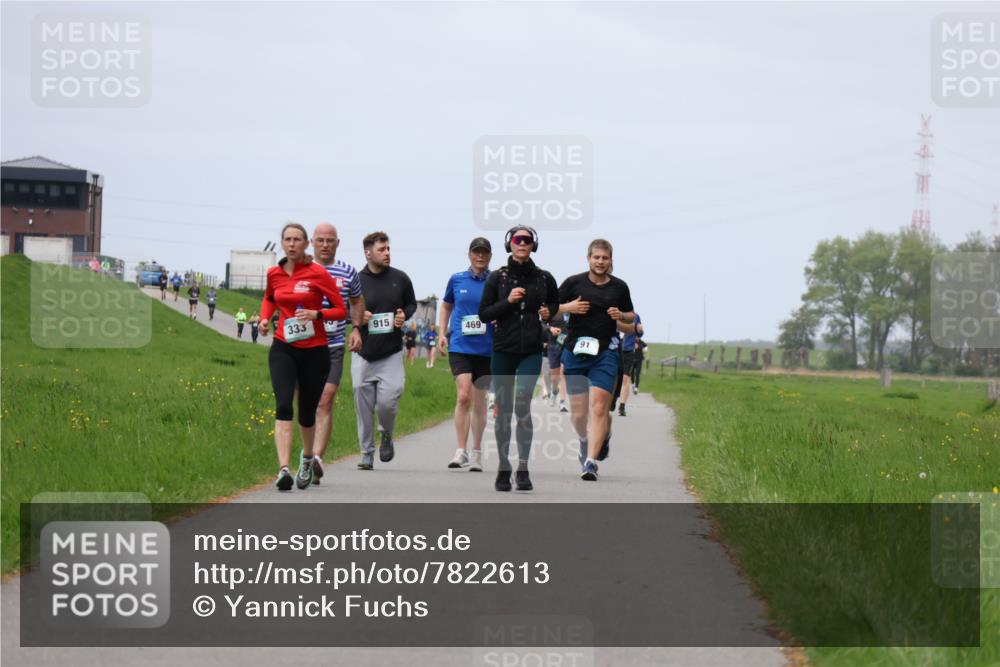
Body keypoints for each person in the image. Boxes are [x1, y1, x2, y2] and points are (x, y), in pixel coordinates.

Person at [258, 222, 347, 491]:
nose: (292, 244)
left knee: (307, 412)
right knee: (284, 404)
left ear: (306, 244)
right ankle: (283, 469)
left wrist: (316, 314)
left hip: (315, 351)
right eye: (288, 239)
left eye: (297, 239)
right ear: (282, 243)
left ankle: (307, 459)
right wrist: (264, 319)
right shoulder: (274, 273)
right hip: (284, 347)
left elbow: (340, 310)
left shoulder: (317, 274)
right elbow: (270, 298)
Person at [478, 225, 559, 492]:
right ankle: (503, 466)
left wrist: (548, 315)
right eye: (517, 239)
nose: (522, 243)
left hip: (531, 351)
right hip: (503, 351)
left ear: (533, 245)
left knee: (522, 406)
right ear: (509, 244)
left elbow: (554, 307)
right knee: (503, 411)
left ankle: (523, 467)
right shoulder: (497, 278)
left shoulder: (544, 278)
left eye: (527, 240)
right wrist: (509, 302)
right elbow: (484, 314)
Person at [556, 239, 635, 482]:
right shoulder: (573, 282)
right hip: (576, 351)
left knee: (599, 407)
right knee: (579, 413)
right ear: (588, 258)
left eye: (605, 258)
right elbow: (550, 308)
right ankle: (584, 440)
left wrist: (620, 315)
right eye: (596, 257)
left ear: (611, 260)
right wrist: (570, 307)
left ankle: (591, 463)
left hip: (605, 353)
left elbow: (631, 319)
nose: (600, 262)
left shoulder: (619, 288)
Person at [353, 231, 417, 470]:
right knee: (363, 406)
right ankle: (366, 452)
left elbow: (411, 304)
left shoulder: (400, 278)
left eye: (388, 248)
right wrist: (359, 317)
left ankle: (387, 434)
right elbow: (345, 310)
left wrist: (403, 314)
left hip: (390, 352)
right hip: (363, 353)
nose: (387, 253)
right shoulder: (356, 281)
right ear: (368, 253)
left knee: (389, 401)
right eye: (382, 249)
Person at [310, 222, 365, 485]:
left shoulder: (348, 271)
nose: (324, 245)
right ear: (312, 242)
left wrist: (356, 329)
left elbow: (356, 301)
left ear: (337, 243)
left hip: (332, 345)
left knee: (325, 400)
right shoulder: (299, 269)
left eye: (329, 240)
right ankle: (306, 454)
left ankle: (317, 459)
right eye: (320, 240)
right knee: (305, 405)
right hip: (303, 345)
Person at [438, 237, 493, 472]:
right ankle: (460, 450)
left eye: (484, 253)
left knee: (479, 401)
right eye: (476, 252)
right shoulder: (457, 279)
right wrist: (442, 333)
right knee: (463, 396)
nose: (480, 256)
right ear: (469, 254)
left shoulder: (496, 281)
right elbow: (446, 305)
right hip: (460, 345)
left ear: (489, 256)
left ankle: (477, 451)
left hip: (487, 348)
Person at [617, 312, 644, 416]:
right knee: (615, 376)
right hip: (614, 348)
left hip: (629, 350)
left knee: (626, 378)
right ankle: (613, 398)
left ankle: (622, 406)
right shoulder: (613, 312)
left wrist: (640, 330)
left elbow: (639, 333)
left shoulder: (636, 316)